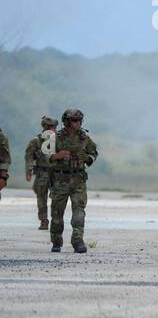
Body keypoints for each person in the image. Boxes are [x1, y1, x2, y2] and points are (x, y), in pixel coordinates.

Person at [48, 108, 99, 254]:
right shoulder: (55, 137)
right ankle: (56, 241)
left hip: (78, 180)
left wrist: (87, 159)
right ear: (67, 122)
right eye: (75, 120)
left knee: (79, 212)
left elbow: (94, 153)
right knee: (57, 213)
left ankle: (78, 241)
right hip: (60, 179)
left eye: (79, 120)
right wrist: (58, 155)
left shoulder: (84, 138)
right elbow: (44, 156)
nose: (78, 123)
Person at [24, 116, 58, 229]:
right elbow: (29, 156)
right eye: (52, 127)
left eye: (55, 127)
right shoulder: (36, 141)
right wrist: (29, 170)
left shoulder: (59, 140)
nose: (54, 129)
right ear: (46, 127)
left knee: (57, 197)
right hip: (42, 172)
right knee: (41, 197)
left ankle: (56, 219)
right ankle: (44, 220)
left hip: (56, 173)